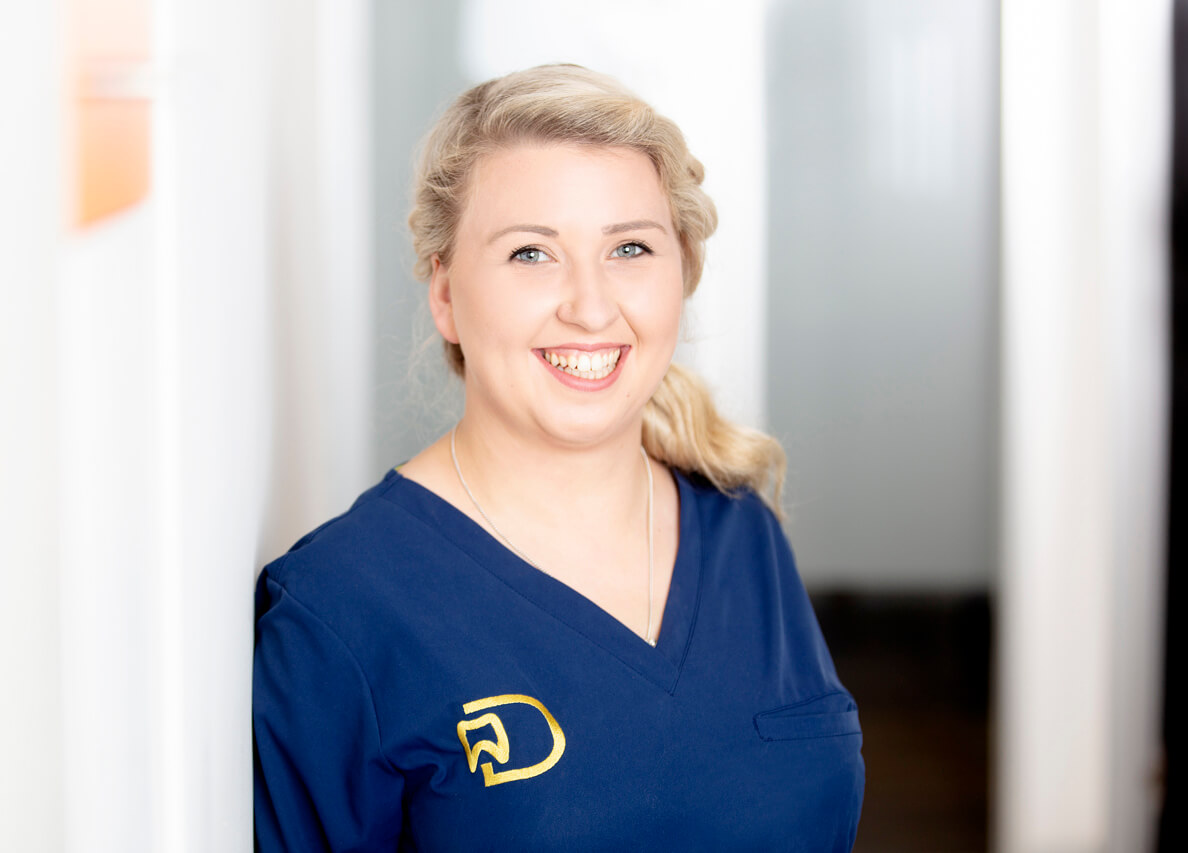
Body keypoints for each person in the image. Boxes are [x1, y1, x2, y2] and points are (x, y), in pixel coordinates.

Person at [253, 64, 865, 851]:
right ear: (445, 295)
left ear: (680, 273)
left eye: (630, 247)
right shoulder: (340, 613)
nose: (590, 306)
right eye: (532, 253)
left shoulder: (740, 528)